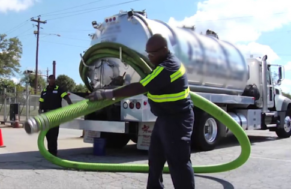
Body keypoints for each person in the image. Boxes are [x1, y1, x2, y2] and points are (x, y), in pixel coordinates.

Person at [88, 34, 195, 189]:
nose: (149, 58)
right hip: (165, 118)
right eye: (148, 54)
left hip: (177, 120)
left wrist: (108, 93)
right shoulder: (162, 65)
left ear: (164, 50)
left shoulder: (168, 67)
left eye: (152, 54)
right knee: (155, 158)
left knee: (178, 161)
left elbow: (140, 87)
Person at [39, 74, 73, 156]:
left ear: (55, 80)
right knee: (47, 134)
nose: (51, 81)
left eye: (53, 79)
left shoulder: (58, 89)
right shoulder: (44, 91)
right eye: (50, 79)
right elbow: (41, 101)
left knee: (54, 134)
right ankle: (49, 150)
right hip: (46, 114)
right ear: (48, 80)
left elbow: (66, 97)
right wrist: (40, 111)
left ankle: (53, 152)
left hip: (56, 114)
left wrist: (72, 106)